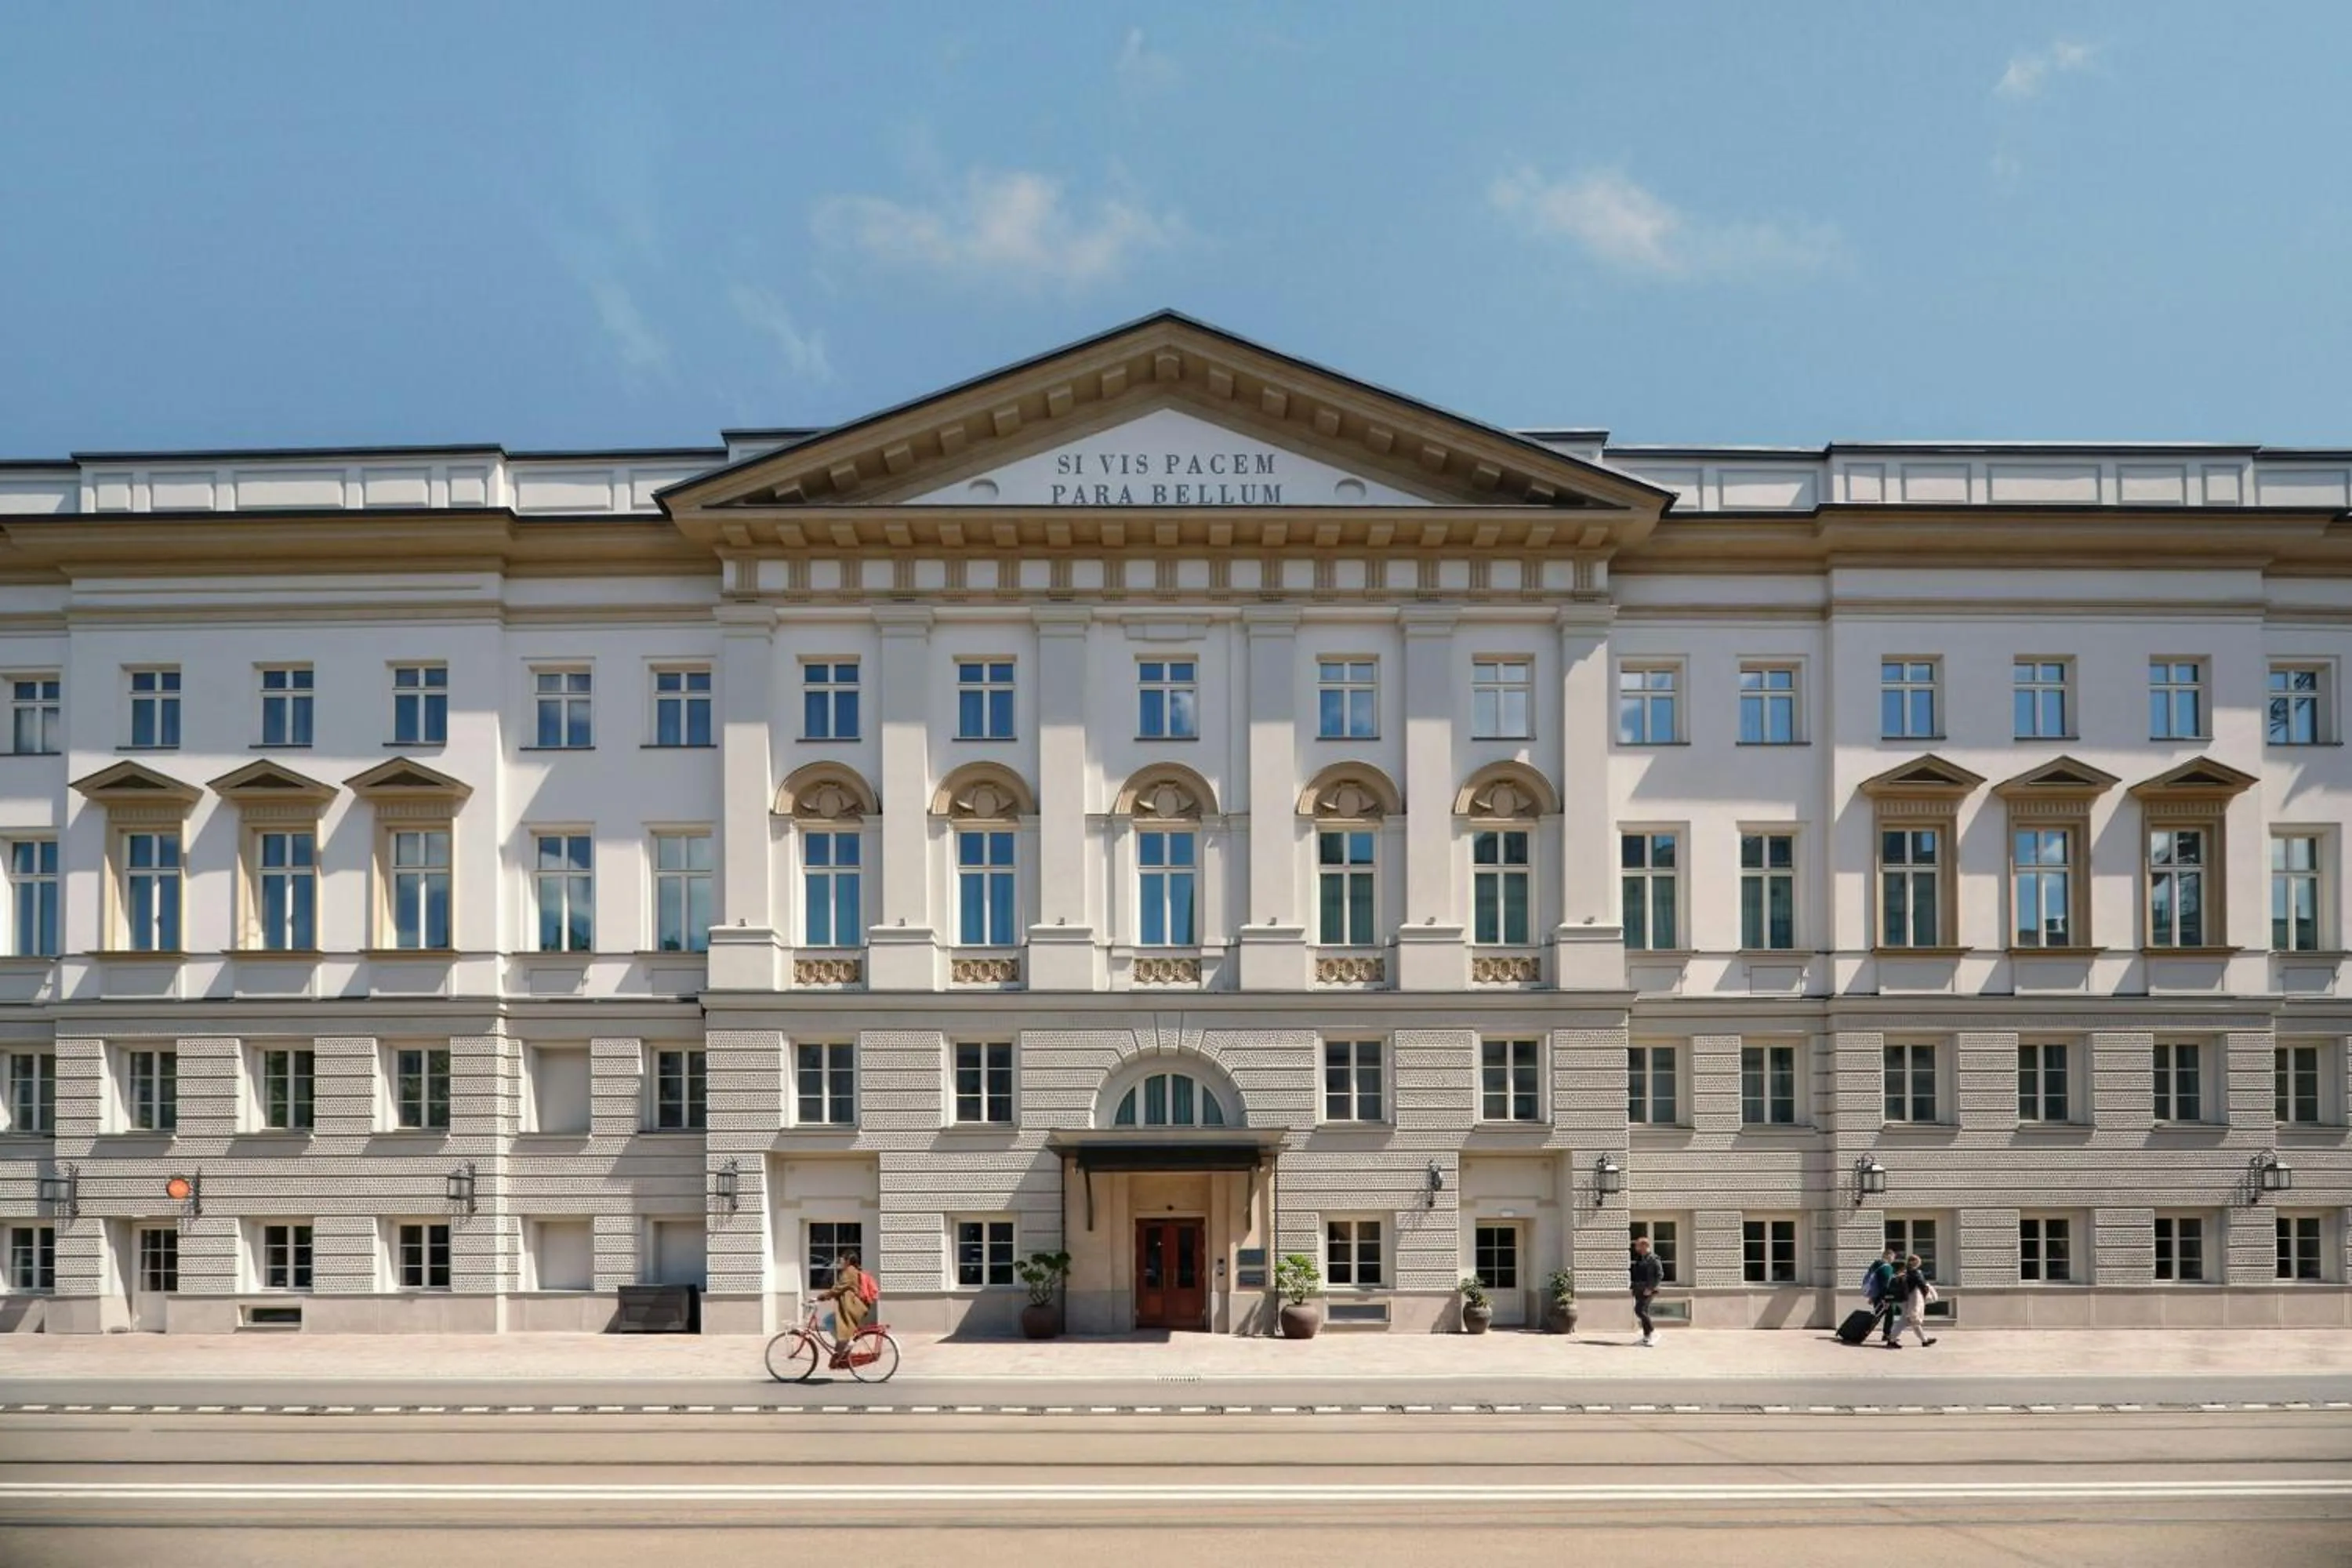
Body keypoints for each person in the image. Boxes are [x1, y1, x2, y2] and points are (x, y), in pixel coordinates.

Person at [820, 1250, 870, 1368]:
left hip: (851, 1308)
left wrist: (822, 1296)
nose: (840, 1261)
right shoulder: (851, 1271)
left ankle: (844, 1345)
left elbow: (838, 1289)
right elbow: (839, 1288)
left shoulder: (849, 1272)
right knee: (831, 1321)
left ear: (847, 1260)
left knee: (828, 1321)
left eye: (842, 1259)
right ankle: (843, 1344)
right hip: (850, 1306)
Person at [1894, 1253, 1939, 1348]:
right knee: (1908, 1320)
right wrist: (1928, 1295)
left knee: (1911, 1321)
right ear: (1914, 1262)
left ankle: (1924, 1340)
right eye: (1919, 1261)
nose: (1920, 1263)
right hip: (1911, 1300)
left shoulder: (1904, 1271)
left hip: (1902, 1299)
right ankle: (1891, 1339)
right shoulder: (1915, 1272)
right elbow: (1922, 1285)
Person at [1629, 1234, 1664, 1347]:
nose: (1636, 1248)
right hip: (1639, 1289)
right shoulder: (1640, 1259)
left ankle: (1653, 1332)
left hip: (1649, 1290)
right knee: (1644, 1312)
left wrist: (1650, 1288)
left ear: (1644, 1246)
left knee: (1640, 1310)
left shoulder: (1654, 1259)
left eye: (1638, 1245)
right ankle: (1646, 1337)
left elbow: (1659, 1275)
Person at [1864, 1244, 1901, 1348]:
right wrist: (1886, 1298)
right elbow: (1886, 1284)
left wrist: (1872, 1296)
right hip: (1885, 1296)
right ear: (1889, 1256)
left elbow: (1876, 1281)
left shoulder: (1876, 1265)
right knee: (1888, 1315)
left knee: (1878, 1315)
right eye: (1893, 1257)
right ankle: (1883, 1334)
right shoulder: (1887, 1268)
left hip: (1877, 1295)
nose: (1894, 1259)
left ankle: (1865, 1331)